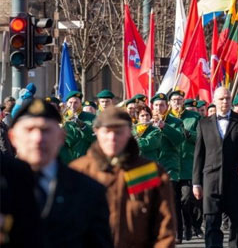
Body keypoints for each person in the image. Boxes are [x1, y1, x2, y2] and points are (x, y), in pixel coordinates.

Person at [10, 98, 112, 247]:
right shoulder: (4, 182)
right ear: (13, 137)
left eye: (46, 130)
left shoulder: (89, 191)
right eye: (29, 130)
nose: (38, 139)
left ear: (61, 137)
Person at [71, 107, 176, 247]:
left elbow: (165, 228)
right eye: (107, 131)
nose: (112, 138)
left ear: (129, 133)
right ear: (96, 132)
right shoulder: (78, 172)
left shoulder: (150, 172)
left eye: (119, 132)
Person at [193, 87, 238, 248]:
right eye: (221, 99)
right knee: (211, 222)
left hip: (236, 180)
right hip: (211, 180)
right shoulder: (203, 123)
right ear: (214, 101)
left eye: (228, 98)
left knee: (237, 222)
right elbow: (199, 154)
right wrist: (196, 182)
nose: (225, 102)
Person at [150, 93, 186, 243]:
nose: (159, 108)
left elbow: (179, 139)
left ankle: (177, 232)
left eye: (162, 105)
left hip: (169, 167)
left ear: (167, 106)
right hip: (151, 168)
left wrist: (164, 126)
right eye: (156, 105)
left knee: (172, 202)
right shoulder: (146, 121)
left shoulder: (175, 122)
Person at [170, 90, 204, 242]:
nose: (177, 102)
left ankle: (190, 225)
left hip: (188, 164)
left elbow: (202, 139)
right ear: (170, 103)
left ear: (183, 101)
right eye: (174, 100)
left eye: (179, 99)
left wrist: (189, 134)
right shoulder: (166, 118)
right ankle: (180, 229)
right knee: (175, 200)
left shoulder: (194, 117)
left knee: (187, 198)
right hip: (171, 165)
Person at [59, 91, 96, 164]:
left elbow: (94, 138)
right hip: (65, 161)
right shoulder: (61, 118)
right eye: (70, 102)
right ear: (66, 104)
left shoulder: (91, 117)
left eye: (76, 103)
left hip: (84, 159)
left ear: (80, 104)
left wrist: (81, 124)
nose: (73, 105)